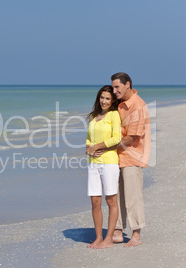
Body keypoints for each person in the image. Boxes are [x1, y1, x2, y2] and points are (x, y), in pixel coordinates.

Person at [110, 72, 151, 247]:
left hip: (133, 156)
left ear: (128, 85)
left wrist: (106, 146)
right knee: (116, 196)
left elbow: (132, 138)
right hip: (117, 157)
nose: (114, 90)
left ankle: (136, 234)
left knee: (133, 197)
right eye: (113, 87)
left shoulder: (138, 106)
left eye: (117, 87)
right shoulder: (119, 104)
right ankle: (118, 231)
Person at [85, 85, 121, 249]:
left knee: (111, 200)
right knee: (95, 201)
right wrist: (88, 148)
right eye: (102, 97)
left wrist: (97, 147)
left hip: (109, 162)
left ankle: (108, 239)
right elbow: (88, 139)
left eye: (107, 98)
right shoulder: (94, 116)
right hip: (93, 163)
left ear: (112, 100)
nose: (104, 101)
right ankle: (98, 238)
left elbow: (116, 139)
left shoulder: (114, 115)